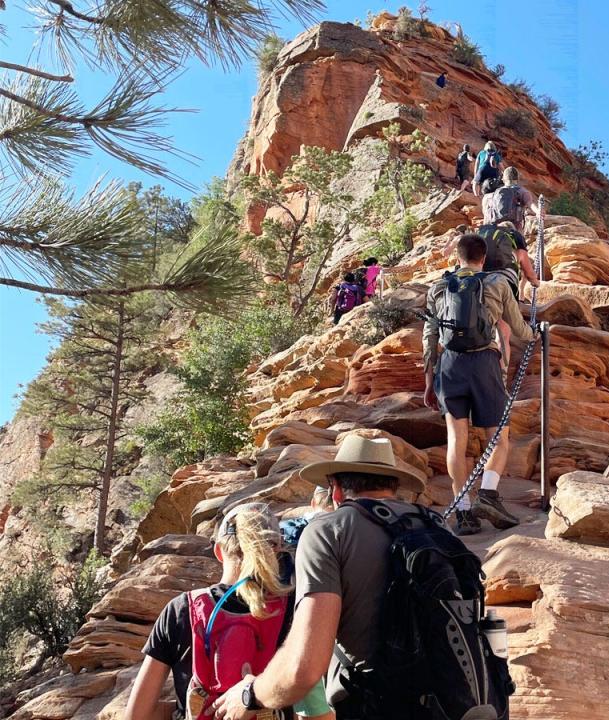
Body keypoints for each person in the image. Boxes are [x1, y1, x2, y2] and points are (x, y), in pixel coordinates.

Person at [207, 437, 424, 718]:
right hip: (453, 700)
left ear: (335, 490)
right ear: (392, 485)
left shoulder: (327, 532)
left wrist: (250, 695)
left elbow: (305, 665)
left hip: (377, 704)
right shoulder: (435, 527)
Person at [124, 503, 333, 720]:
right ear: (277, 549)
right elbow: (313, 711)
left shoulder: (180, 609)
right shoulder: (295, 607)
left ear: (218, 552)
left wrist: (185, 707)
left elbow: (137, 714)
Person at [422, 233, 534, 535]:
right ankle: (487, 493)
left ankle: (463, 512)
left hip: (450, 366)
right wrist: (536, 334)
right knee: (498, 437)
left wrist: (429, 380)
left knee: (456, 441)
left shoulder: (438, 287)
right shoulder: (496, 283)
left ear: (457, 257)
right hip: (484, 364)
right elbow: (519, 327)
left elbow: (430, 335)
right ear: (483, 258)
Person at [476, 218, 541, 370]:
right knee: (503, 334)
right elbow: (525, 263)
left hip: (479, 281)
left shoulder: (486, 237)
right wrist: (535, 282)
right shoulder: (515, 238)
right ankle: (500, 378)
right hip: (504, 284)